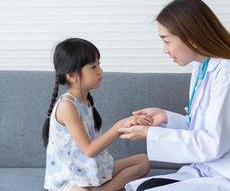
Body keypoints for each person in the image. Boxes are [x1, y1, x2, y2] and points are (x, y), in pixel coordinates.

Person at [118, 0, 230, 191]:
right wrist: (166, 118)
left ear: (191, 36)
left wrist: (150, 134)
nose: (165, 50)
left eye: (167, 41)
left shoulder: (228, 72)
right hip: (215, 169)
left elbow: (213, 143)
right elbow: (206, 128)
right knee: (140, 187)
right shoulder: (202, 68)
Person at [42, 38, 151, 191]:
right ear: (72, 76)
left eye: (98, 64)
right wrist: (119, 126)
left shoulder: (86, 100)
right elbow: (89, 149)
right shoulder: (67, 106)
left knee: (143, 161)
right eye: (93, 67)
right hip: (71, 177)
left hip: (90, 168)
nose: (100, 70)